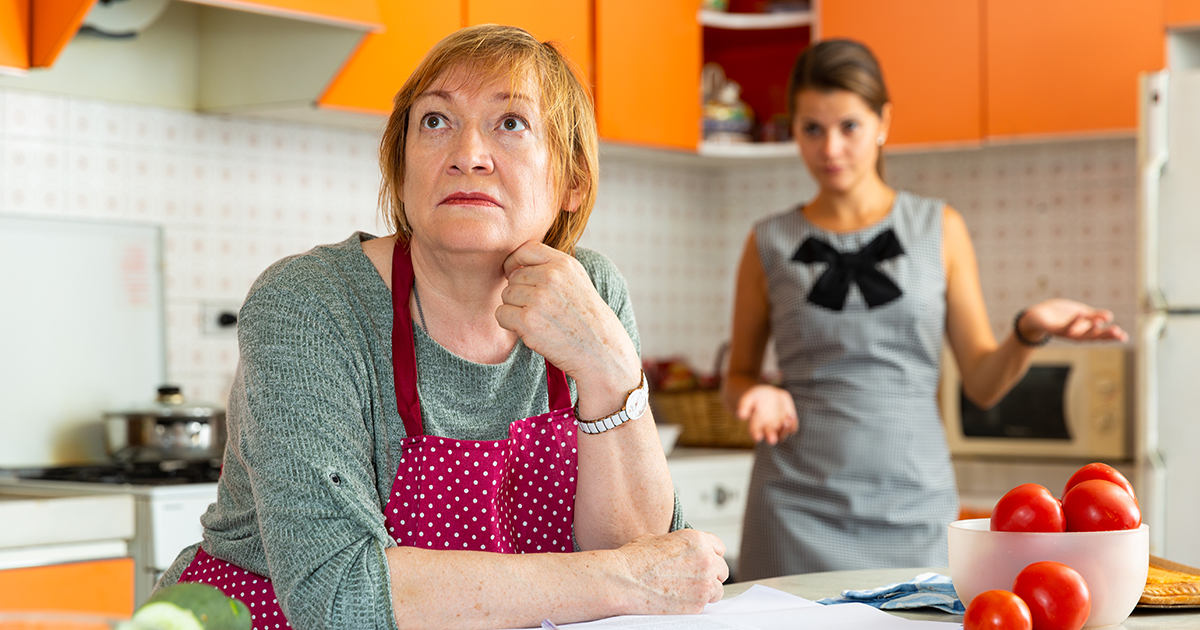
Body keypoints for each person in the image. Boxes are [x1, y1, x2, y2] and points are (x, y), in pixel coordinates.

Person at [156, 25, 727, 630]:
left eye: (511, 123)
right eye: (435, 121)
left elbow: (641, 559)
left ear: (572, 182)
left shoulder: (591, 290)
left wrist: (609, 365)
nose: (467, 154)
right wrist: (627, 577)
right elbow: (338, 597)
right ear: (401, 167)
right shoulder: (309, 303)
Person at [721, 39, 1128, 581]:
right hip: (794, 509)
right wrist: (756, 392)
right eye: (811, 128)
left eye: (849, 126)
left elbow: (982, 382)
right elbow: (737, 377)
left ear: (883, 121)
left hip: (912, 508)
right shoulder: (769, 242)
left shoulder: (939, 229)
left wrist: (1029, 329)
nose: (830, 148)